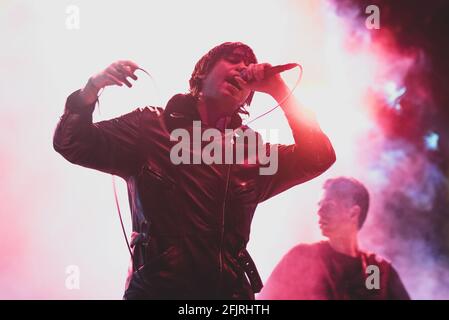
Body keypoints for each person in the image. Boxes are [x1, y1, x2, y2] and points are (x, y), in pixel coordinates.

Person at [53, 42, 336, 299]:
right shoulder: (151, 127)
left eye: (247, 66)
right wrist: (92, 88)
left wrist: (278, 89)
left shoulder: (253, 150)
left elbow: (318, 156)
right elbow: (72, 142)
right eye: (233, 60)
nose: (242, 68)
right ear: (201, 74)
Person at [259, 177, 410, 300]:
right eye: (319, 205)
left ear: (353, 213)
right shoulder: (302, 257)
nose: (319, 212)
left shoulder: (378, 270)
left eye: (328, 206)